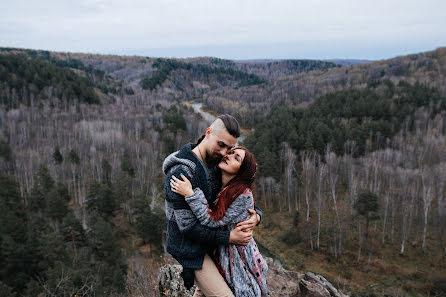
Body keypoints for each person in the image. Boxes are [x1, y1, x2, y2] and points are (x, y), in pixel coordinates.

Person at [162, 114, 262, 296]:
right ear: (208, 133)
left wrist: (255, 216)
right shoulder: (180, 174)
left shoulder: (217, 165)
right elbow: (189, 229)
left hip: (214, 246)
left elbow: (238, 194)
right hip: (191, 247)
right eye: (221, 145)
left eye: (230, 148)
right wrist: (230, 237)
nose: (224, 153)